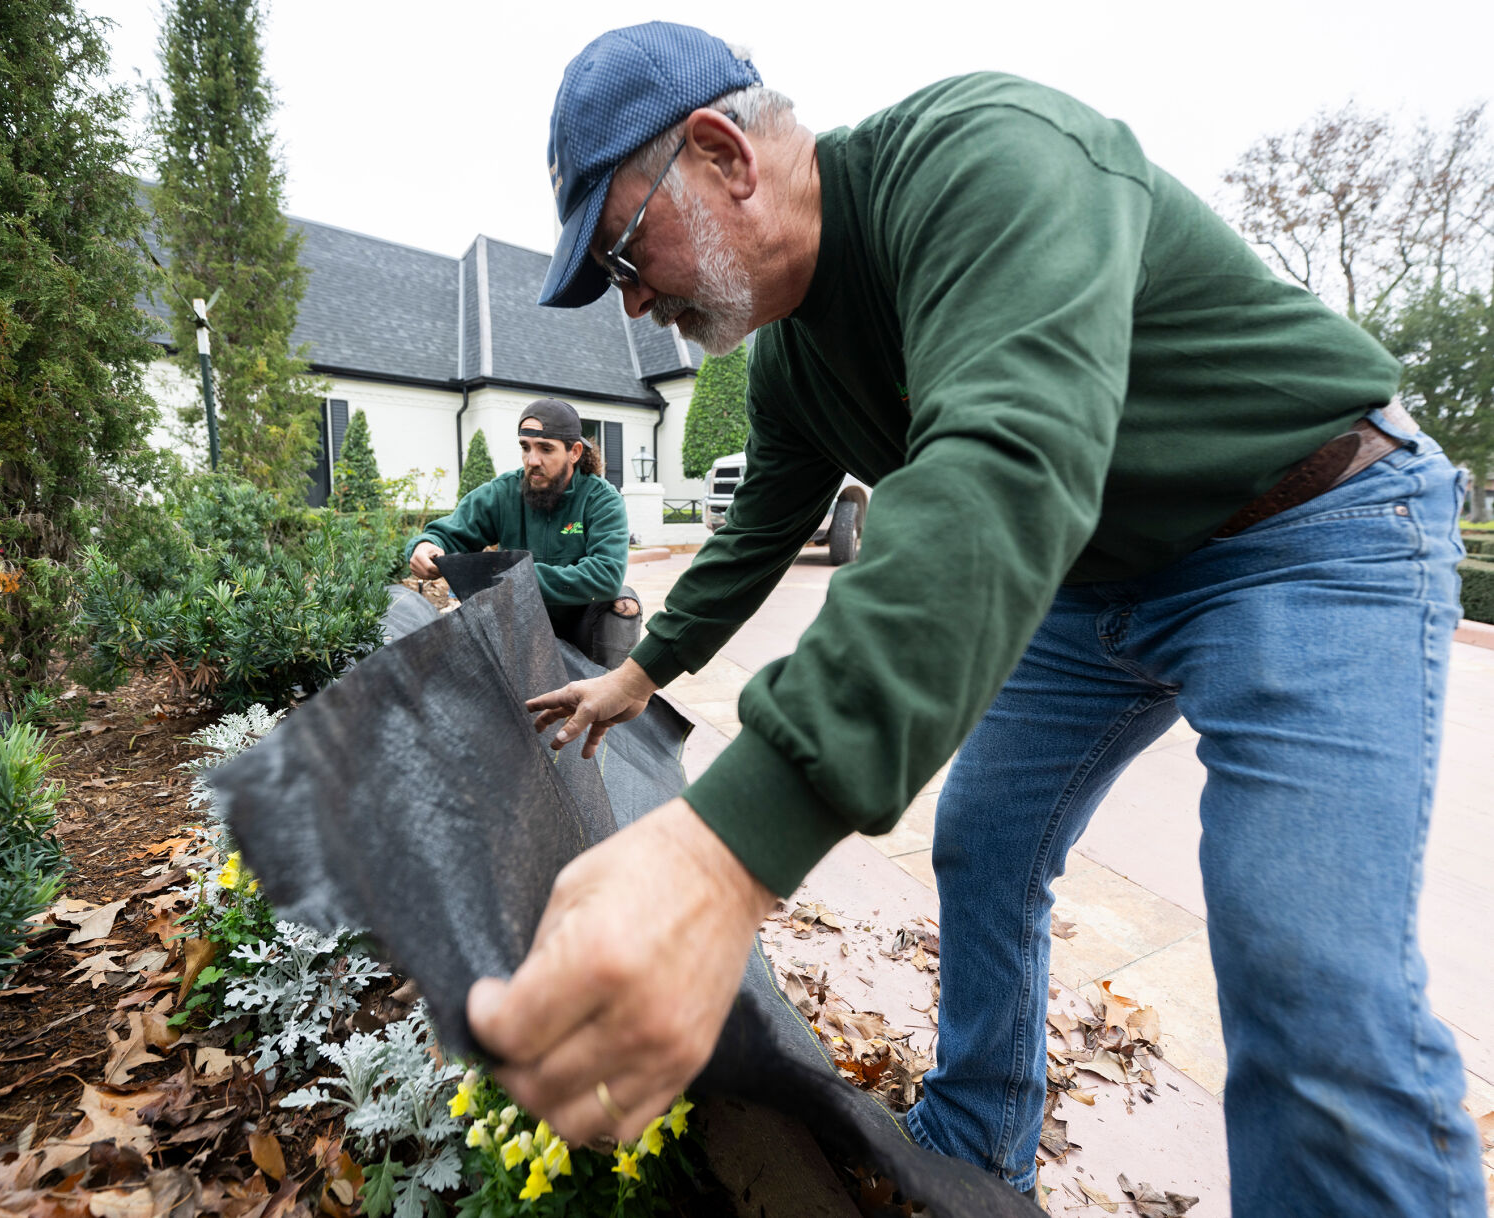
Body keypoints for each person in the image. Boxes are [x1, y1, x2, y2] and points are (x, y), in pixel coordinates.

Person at [463, 21, 1484, 1216]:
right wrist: (642, 678)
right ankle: (970, 1144)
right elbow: (752, 540)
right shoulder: (793, 365)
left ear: (721, 152)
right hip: (1090, 579)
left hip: (1305, 527)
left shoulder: (987, 158)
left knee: (1308, 987)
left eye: (625, 250)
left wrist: (724, 854)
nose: (633, 304)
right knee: (984, 843)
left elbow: (1001, 463)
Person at [405, 399, 642, 668]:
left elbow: (605, 577)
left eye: (545, 449)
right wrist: (425, 545)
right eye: (525, 447)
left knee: (624, 601)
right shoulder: (504, 492)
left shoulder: (601, 499)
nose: (532, 460)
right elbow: (448, 534)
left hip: (579, 622)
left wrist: (512, 576)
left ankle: (609, 696)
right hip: (518, 620)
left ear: (574, 452)